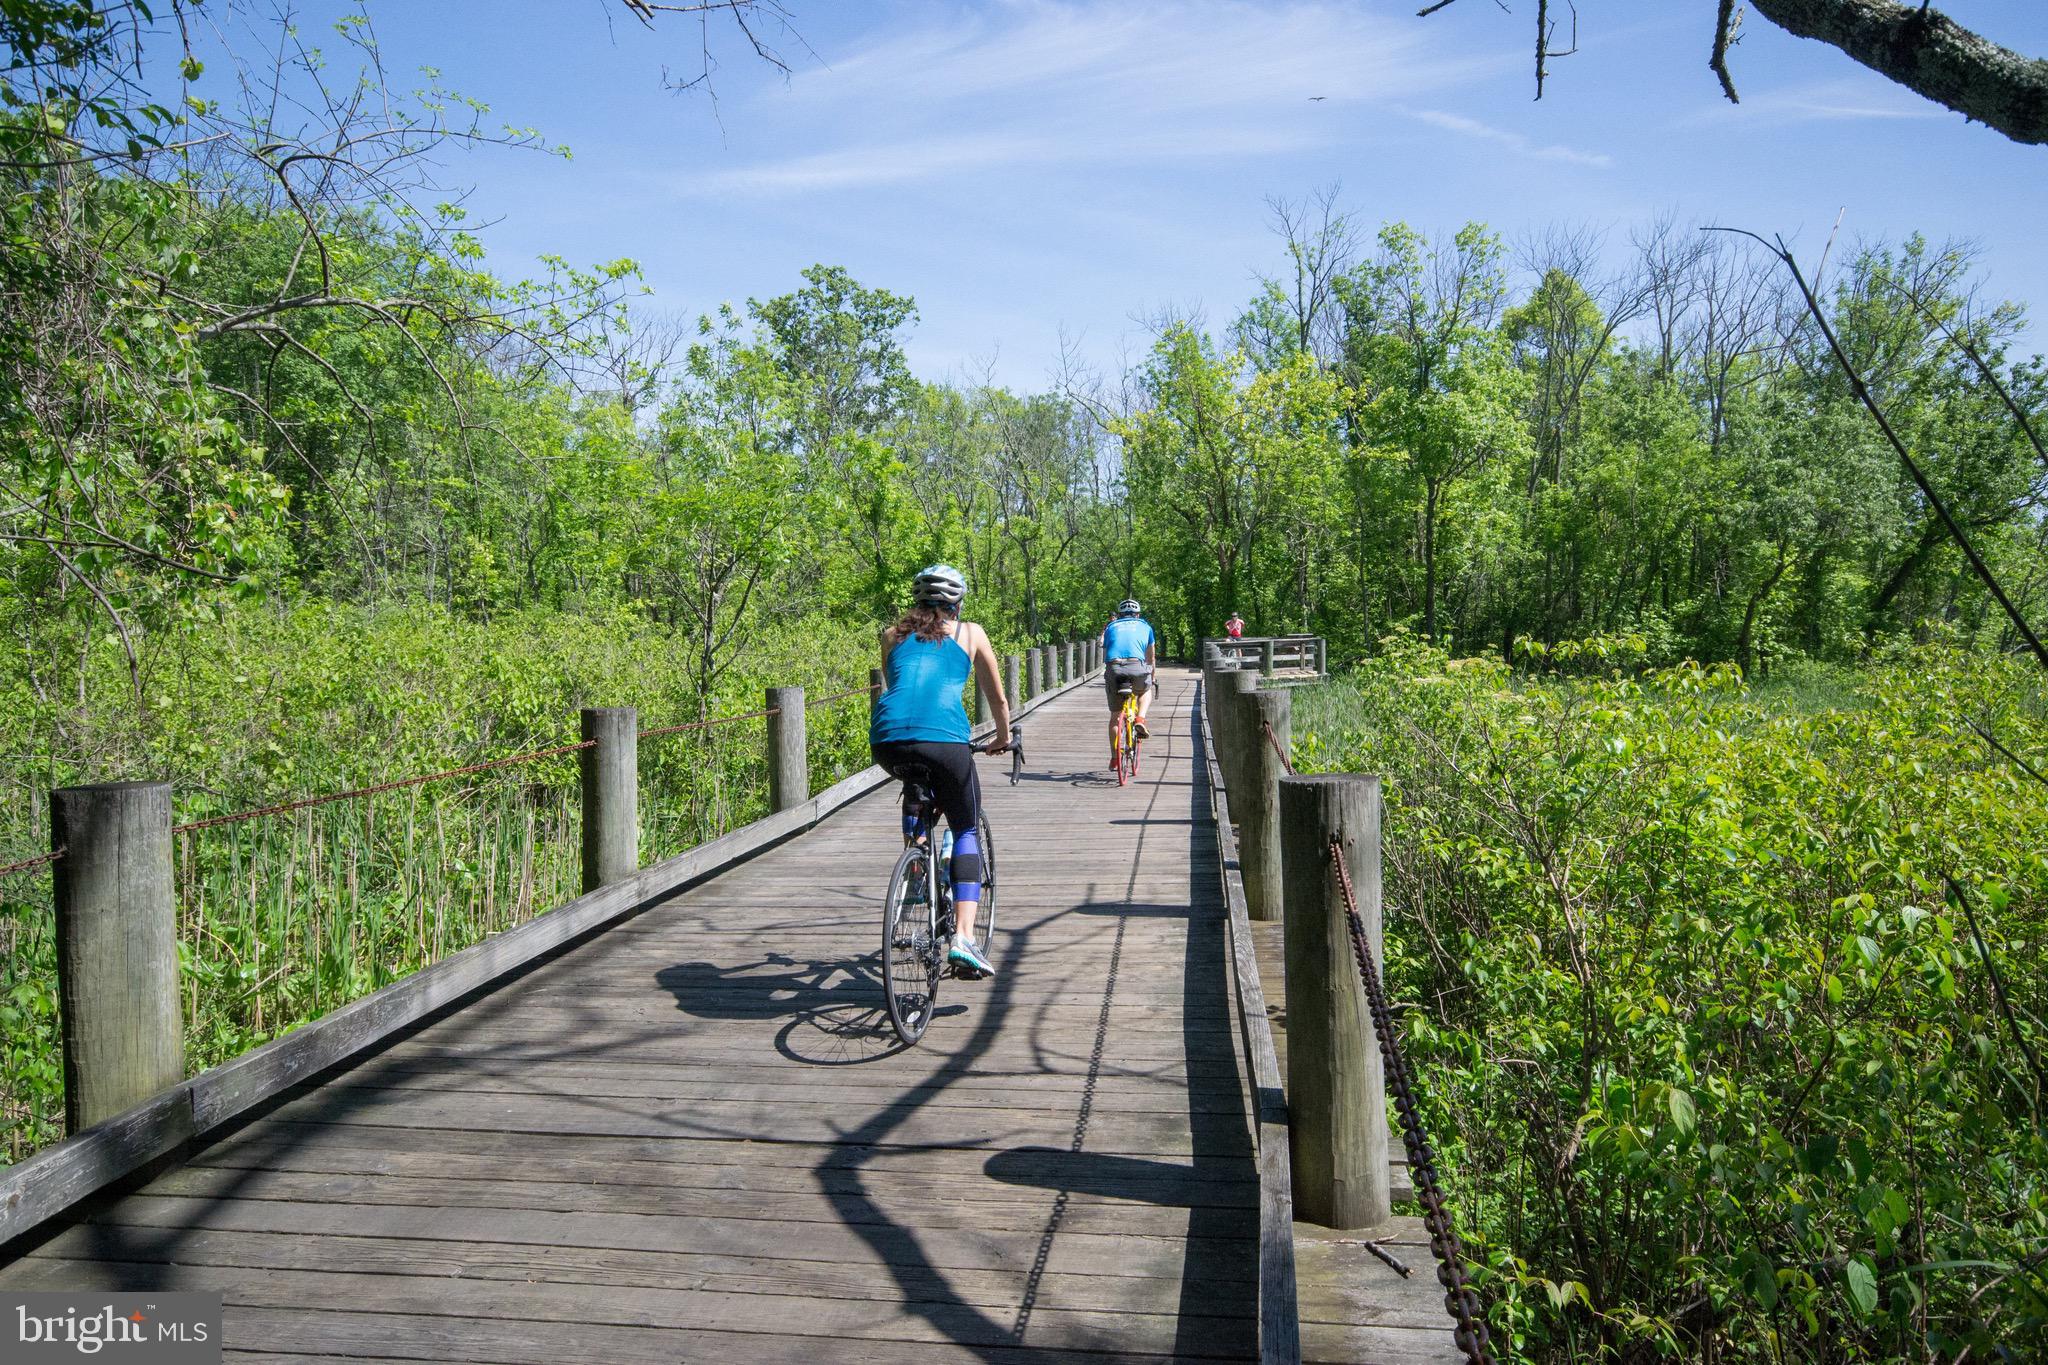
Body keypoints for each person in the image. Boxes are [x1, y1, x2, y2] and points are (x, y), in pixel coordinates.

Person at [869, 564, 1011, 980]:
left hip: (887, 739)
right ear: (958, 604)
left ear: (916, 602)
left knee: (915, 777)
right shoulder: (971, 633)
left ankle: (917, 864)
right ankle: (964, 938)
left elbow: (899, 685)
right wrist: (1001, 738)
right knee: (966, 827)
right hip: (945, 741)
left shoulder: (892, 635)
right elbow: (998, 700)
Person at [1101, 598, 1157, 748]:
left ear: (1119, 615)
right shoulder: (1146, 627)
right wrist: (1152, 676)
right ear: (1137, 615)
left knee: (1115, 717)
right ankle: (1140, 719)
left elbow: (1105, 655)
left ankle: (1114, 758)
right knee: (1146, 690)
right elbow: (1150, 657)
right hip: (1136, 667)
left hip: (1114, 668)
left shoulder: (1110, 627)